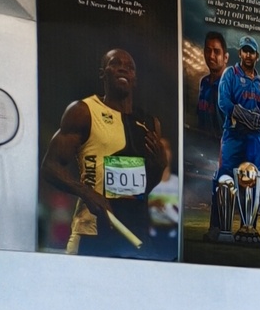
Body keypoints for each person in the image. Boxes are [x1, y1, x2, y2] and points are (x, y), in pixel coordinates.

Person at [39, 48, 169, 256]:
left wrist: (159, 167)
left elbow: (142, 189)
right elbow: (50, 166)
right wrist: (87, 193)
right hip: (93, 234)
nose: (123, 69)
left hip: (135, 236)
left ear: (135, 79)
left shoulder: (150, 124)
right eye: (115, 64)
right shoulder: (83, 111)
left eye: (129, 67)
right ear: (103, 73)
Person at [212, 36, 260, 239]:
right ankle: (217, 227)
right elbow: (223, 102)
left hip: (255, 140)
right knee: (224, 178)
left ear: (257, 56)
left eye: (252, 52)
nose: (248, 55)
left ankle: (248, 229)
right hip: (234, 135)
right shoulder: (230, 74)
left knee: (253, 182)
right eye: (245, 51)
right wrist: (243, 115)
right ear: (240, 53)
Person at [195, 31, 228, 132]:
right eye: (208, 50)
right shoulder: (204, 82)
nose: (211, 56)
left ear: (225, 57)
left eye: (216, 52)